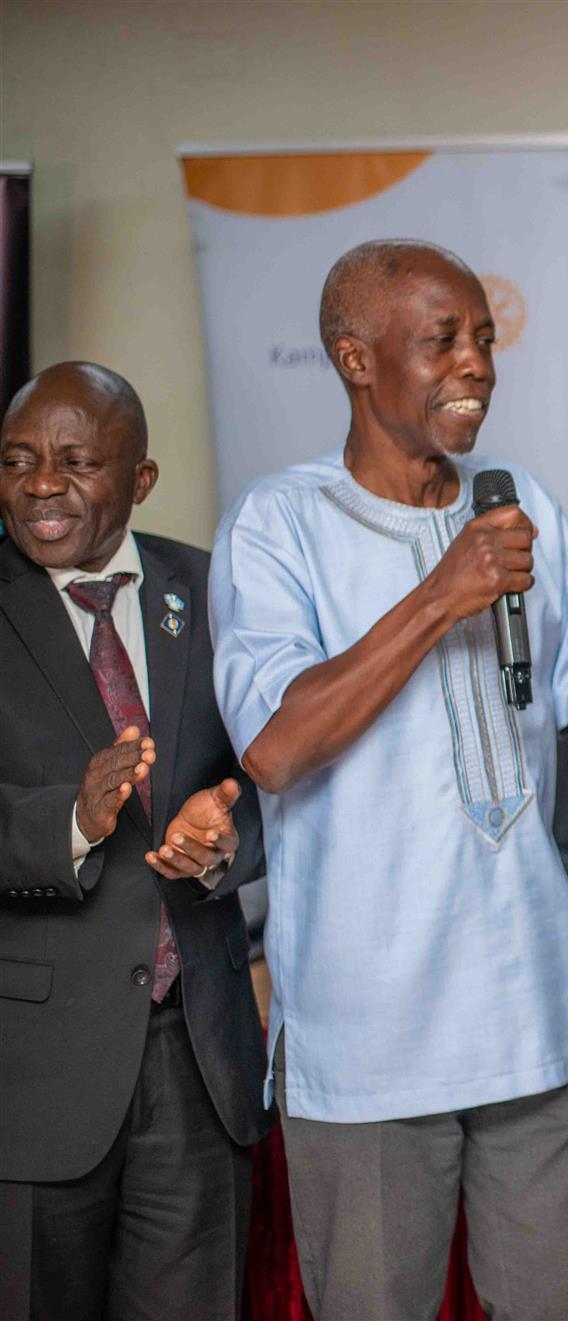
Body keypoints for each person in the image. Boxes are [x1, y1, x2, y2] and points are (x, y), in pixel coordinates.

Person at [209, 240, 568, 1319]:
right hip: (370, 1044)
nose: (477, 364)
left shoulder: (519, 502)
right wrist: (443, 594)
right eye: (443, 340)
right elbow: (275, 744)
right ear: (355, 358)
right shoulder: (278, 522)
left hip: (546, 1024)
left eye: (484, 340)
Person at [0, 363, 267, 1320]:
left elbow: (279, 774)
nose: (41, 485)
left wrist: (225, 837)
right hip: (33, 1080)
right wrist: (72, 822)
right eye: (18, 461)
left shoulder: (215, 587)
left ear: (141, 478)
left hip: (199, 1063)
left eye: (75, 462)